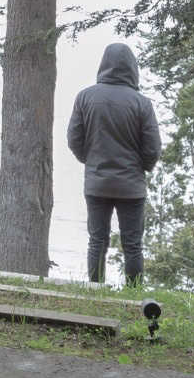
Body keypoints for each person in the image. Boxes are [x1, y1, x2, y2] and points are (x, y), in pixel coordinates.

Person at [66, 42, 162, 286]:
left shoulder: (85, 97)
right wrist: (141, 168)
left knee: (97, 240)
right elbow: (152, 148)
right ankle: (133, 294)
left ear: (103, 64)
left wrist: (90, 161)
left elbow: (74, 140)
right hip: (131, 186)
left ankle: (96, 290)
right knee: (133, 244)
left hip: (97, 183)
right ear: (132, 68)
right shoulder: (142, 103)